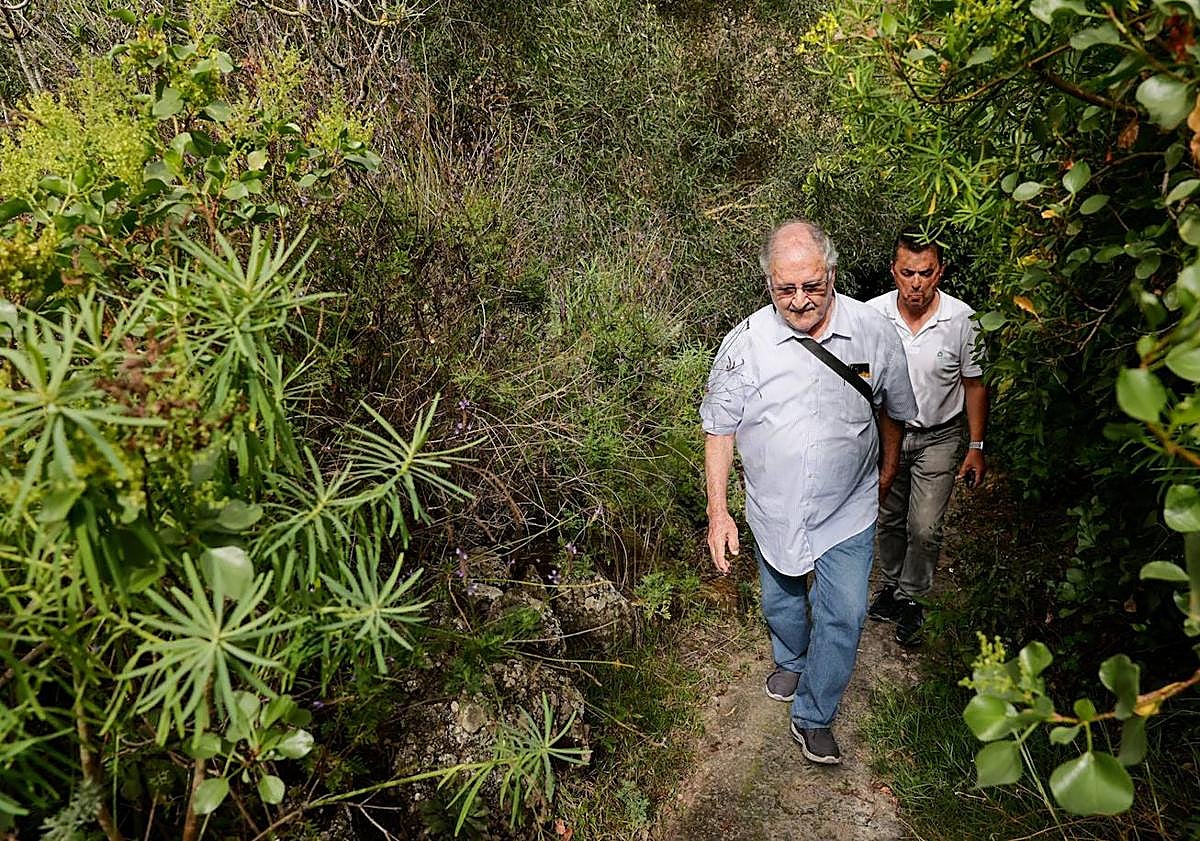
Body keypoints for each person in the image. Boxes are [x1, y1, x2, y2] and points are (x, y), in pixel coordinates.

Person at [700, 220, 918, 765]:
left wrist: (888, 466)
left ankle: (815, 714)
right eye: (785, 289)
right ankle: (792, 658)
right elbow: (719, 427)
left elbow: (894, 407)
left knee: (845, 613)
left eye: (812, 286)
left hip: (849, 507)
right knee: (782, 599)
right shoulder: (745, 345)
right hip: (774, 509)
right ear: (769, 285)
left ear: (833, 274)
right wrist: (718, 512)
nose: (800, 301)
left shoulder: (873, 332)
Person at [866, 231, 988, 646]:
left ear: (940, 272)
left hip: (939, 435)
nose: (916, 283)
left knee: (925, 525)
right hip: (887, 435)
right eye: (907, 273)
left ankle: (914, 598)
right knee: (889, 517)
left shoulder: (962, 321)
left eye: (925, 273)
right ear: (893, 272)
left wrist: (976, 446)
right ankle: (893, 585)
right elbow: (860, 379)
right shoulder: (871, 316)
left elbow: (974, 385)